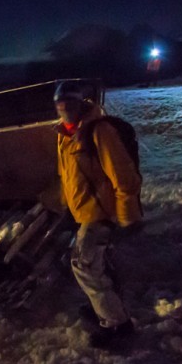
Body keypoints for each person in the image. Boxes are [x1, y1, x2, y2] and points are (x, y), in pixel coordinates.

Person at [54, 80, 143, 348]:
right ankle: (106, 309)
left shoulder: (99, 130)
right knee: (97, 263)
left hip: (102, 211)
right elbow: (67, 176)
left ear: (81, 103)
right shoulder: (64, 133)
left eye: (70, 104)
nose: (65, 109)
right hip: (84, 210)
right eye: (60, 105)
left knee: (85, 265)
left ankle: (117, 324)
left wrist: (126, 216)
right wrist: (68, 209)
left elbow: (124, 176)